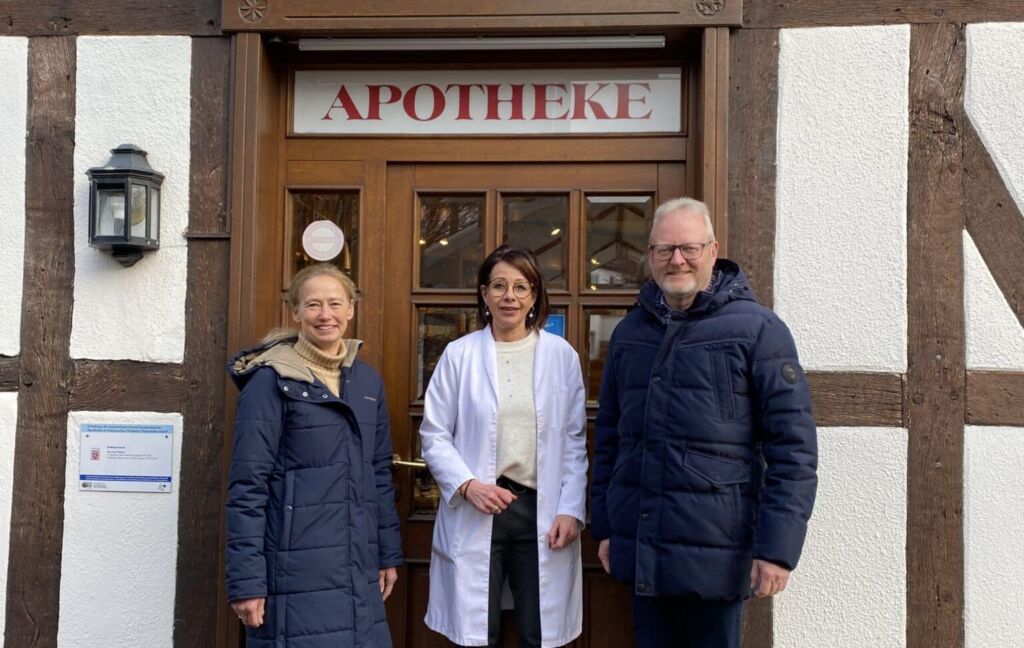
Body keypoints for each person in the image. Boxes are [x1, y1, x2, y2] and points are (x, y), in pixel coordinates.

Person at [590, 197, 818, 648]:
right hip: (642, 549)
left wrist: (776, 550)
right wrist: (608, 528)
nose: (677, 259)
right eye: (664, 249)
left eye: (688, 248)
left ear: (713, 251)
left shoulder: (758, 330)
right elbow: (610, 440)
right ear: (650, 256)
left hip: (719, 557)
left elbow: (793, 450)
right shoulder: (630, 334)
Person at [225, 263, 402, 647]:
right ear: (296, 313)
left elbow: (378, 476)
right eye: (314, 305)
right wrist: (246, 582)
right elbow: (247, 487)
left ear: (351, 309)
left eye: (336, 304)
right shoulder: (269, 382)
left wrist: (387, 555)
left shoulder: (367, 382)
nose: (326, 315)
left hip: (358, 570)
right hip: (293, 574)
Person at [420, 245, 588, 648]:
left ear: (534, 296)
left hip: (540, 511)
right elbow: (435, 434)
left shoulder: (560, 356)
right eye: (499, 286)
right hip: (479, 506)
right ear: (484, 294)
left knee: (538, 632)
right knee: (479, 635)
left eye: (520, 286)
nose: (509, 296)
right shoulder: (459, 355)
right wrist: (468, 485)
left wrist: (570, 509)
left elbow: (574, 440)